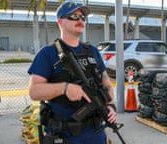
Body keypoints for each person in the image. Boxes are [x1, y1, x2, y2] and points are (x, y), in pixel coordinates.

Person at [28, 2, 117, 144]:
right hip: (65, 133)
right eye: (74, 16)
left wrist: (111, 106)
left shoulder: (93, 51)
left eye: (83, 17)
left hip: (96, 131)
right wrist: (65, 88)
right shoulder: (47, 53)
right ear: (61, 22)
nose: (80, 20)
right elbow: (34, 91)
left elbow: (106, 82)